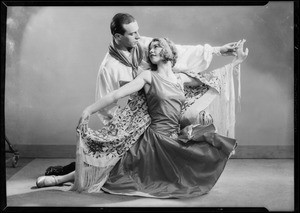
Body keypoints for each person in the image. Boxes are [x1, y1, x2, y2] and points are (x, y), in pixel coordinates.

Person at [36, 37, 248, 198]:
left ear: (169, 52)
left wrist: (236, 62)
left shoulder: (180, 78)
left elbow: (211, 80)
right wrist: (88, 110)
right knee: (114, 168)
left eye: (157, 46)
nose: (152, 49)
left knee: (211, 145)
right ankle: (60, 178)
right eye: (151, 48)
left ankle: (62, 176)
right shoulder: (148, 76)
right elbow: (116, 94)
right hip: (153, 139)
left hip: (174, 138)